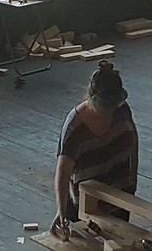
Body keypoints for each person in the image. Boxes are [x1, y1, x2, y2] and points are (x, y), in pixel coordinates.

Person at [51, 61, 140, 234]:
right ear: (91, 97)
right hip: (85, 206)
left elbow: (133, 145)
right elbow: (63, 173)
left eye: (112, 107)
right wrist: (61, 211)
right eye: (103, 107)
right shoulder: (75, 126)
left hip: (119, 195)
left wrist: (132, 182)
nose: (107, 112)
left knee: (120, 244)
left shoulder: (122, 111)